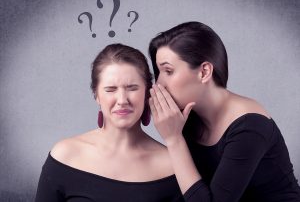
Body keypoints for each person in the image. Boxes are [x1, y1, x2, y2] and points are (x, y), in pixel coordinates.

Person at [148, 21, 300, 202]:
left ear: (204, 72)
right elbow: (189, 188)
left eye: (169, 71)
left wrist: (174, 140)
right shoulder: (188, 117)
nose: (159, 84)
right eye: (159, 72)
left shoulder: (250, 125)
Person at [35, 43, 184, 202]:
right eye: (111, 89)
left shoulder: (172, 165)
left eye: (132, 88)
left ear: (148, 93)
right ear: (96, 95)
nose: (122, 100)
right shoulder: (65, 154)